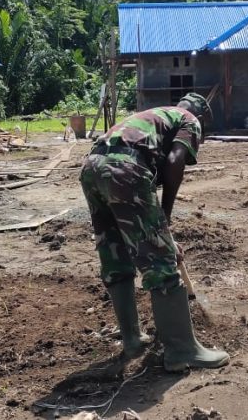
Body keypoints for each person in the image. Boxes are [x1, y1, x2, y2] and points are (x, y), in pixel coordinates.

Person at [79, 93, 229, 372]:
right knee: (160, 258)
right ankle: (181, 350)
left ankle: (133, 340)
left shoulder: (153, 115)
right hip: (126, 169)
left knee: (115, 252)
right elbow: (175, 161)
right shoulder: (189, 120)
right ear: (202, 116)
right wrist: (165, 216)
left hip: (92, 167)